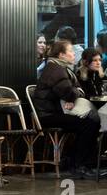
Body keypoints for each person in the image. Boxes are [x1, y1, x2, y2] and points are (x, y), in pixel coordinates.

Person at [32, 37, 102, 174]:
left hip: (56, 111)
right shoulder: (55, 69)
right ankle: (76, 163)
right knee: (88, 124)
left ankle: (77, 161)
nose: (74, 54)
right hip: (48, 115)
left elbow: (74, 90)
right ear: (61, 55)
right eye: (70, 51)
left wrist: (72, 95)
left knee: (90, 122)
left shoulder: (60, 68)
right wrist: (73, 95)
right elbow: (70, 92)